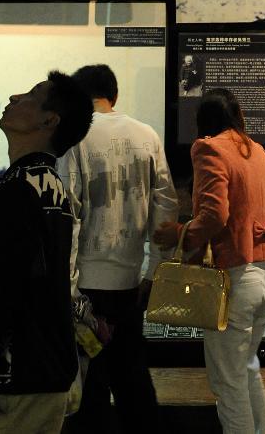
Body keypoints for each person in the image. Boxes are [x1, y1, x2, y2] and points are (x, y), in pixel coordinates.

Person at [0, 72, 94, 434]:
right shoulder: (50, 186)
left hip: (20, 380)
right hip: (45, 371)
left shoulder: (18, 188)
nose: (15, 97)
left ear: (49, 121)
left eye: (31, 95)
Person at [153, 88, 265, 434]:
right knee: (247, 371)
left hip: (234, 278)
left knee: (228, 384)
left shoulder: (208, 148)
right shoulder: (258, 151)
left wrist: (179, 234)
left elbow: (214, 215)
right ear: (238, 115)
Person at [57, 64, 178, 434]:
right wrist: (154, 272)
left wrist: (69, 286)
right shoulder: (147, 135)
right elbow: (165, 208)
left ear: (78, 97)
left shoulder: (74, 138)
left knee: (88, 390)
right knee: (134, 384)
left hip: (85, 285)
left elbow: (68, 215)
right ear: (114, 95)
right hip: (130, 282)